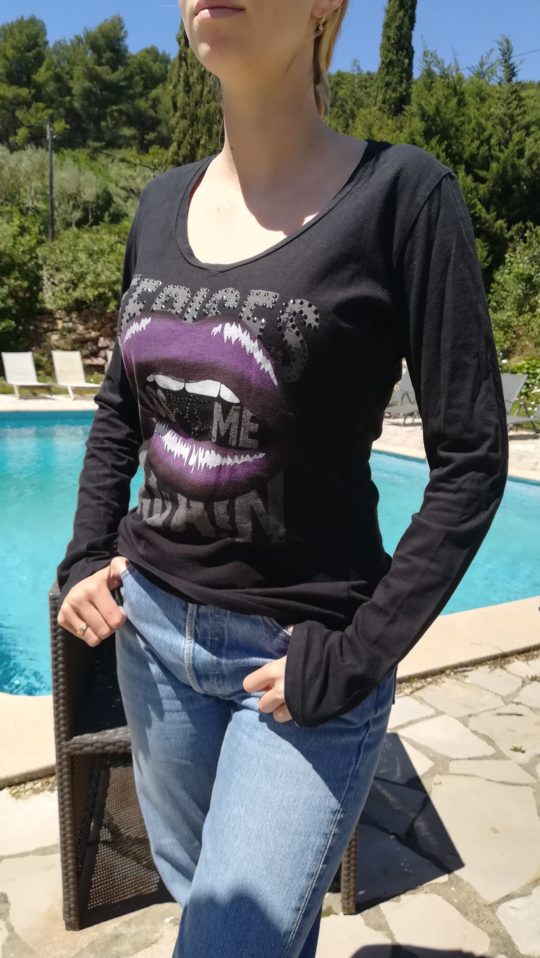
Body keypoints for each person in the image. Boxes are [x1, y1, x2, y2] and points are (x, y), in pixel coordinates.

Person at [56, 0, 508, 955]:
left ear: (324, 7)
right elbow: (121, 409)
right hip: (154, 643)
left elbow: (471, 463)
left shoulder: (403, 195)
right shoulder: (158, 204)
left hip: (301, 662)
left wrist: (357, 656)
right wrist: (86, 553)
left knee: (228, 942)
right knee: (211, 905)